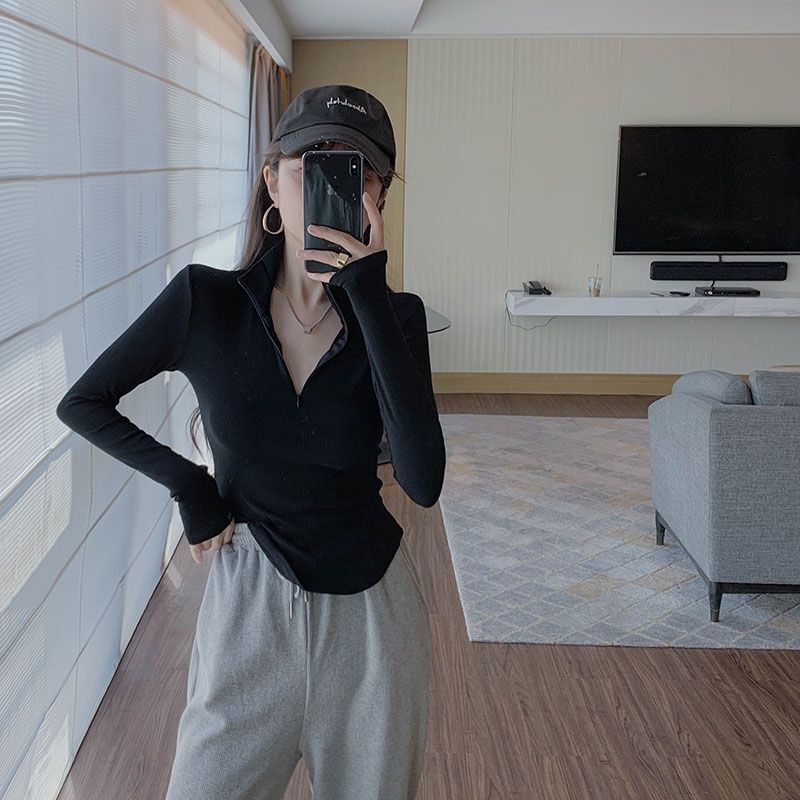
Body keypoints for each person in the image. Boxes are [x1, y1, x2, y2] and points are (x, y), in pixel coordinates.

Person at [55, 83, 446, 800]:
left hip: (373, 625)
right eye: (311, 168)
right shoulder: (204, 302)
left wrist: (366, 290)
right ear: (271, 179)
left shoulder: (398, 318)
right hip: (248, 612)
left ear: (379, 197)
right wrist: (189, 484)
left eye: (357, 175)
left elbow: (422, 482)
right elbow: (82, 401)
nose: (332, 191)